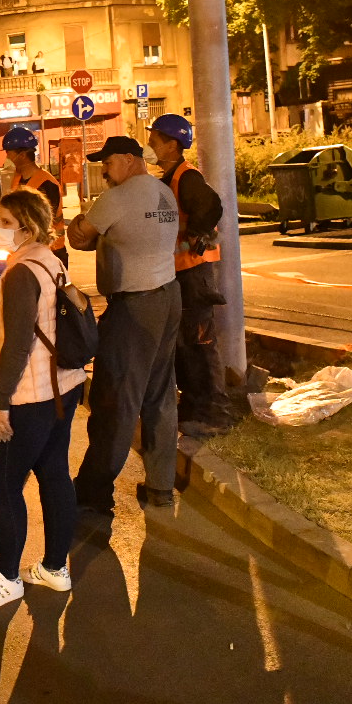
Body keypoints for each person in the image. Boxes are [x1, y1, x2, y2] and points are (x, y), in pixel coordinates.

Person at [0, 190, 86, 611]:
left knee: (2, 482)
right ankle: (55, 569)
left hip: (30, 397)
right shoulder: (49, 260)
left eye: (3, 221)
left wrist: (1, 404)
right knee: (54, 473)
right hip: (63, 388)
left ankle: (7, 576)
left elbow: (17, 344)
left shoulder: (21, 272)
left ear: (28, 228)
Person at [68, 135, 182, 512]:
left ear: (130, 160)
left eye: (108, 162)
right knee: (160, 394)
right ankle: (161, 487)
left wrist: (77, 222)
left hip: (134, 306)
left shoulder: (115, 198)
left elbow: (80, 237)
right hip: (167, 295)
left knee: (115, 398)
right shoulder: (163, 192)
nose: (103, 169)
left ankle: (92, 489)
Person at [147, 114, 231, 438]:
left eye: (155, 139)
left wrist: (197, 233)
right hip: (179, 273)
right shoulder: (168, 179)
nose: (151, 144)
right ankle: (194, 409)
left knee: (201, 343)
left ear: (172, 143)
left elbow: (212, 206)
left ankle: (218, 414)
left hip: (195, 275)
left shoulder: (186, 177)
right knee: (184, 345)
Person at [1, 125, 67, 266]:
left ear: (22, 155)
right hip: (28, 251)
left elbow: (42, 225)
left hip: (50, 253)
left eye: (9, 153)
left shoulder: (47, 184)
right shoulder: (18, 178)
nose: (7, 157)